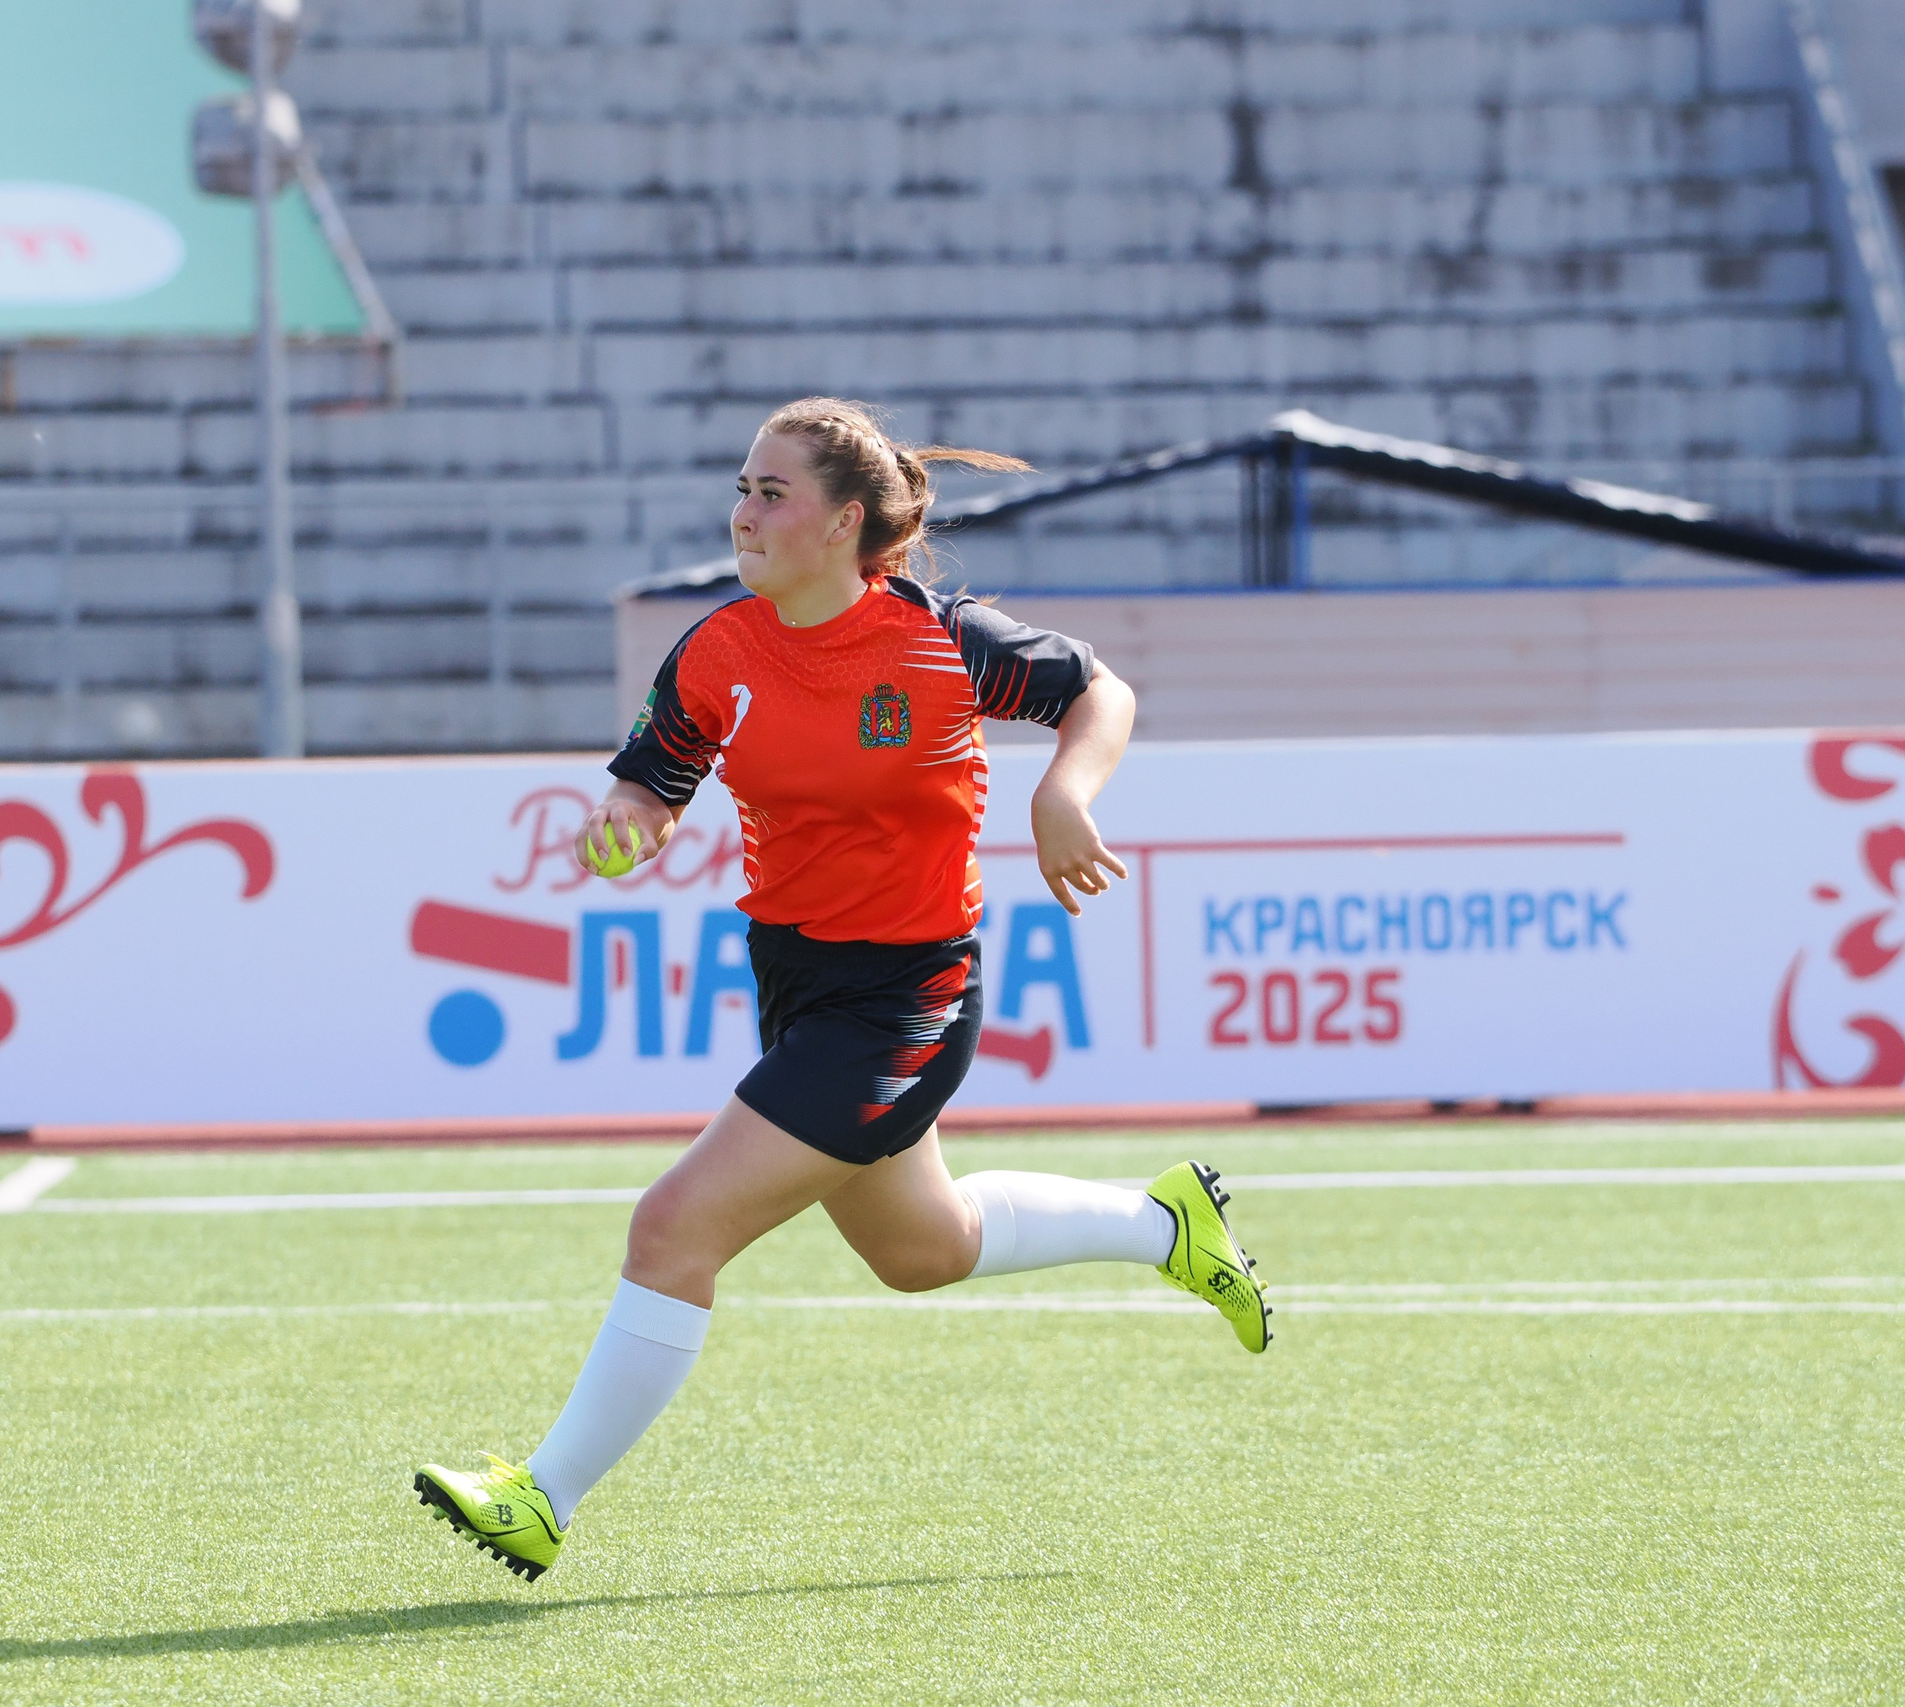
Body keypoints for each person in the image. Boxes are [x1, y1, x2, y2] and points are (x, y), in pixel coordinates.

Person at [415, 398, 1270, 1582]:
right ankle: (1166, 1224)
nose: (744, 513)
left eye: (773, 492)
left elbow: (1098, 694)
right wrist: (626, 828)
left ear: (844, 521)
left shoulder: (941, 637)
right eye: (742, 487)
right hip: (795, 982)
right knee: (922, 1249)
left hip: (906, 998)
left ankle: (541, 1496)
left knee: (674, 1227)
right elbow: (651, 786)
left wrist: (1064, 794)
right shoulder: (718, 651)